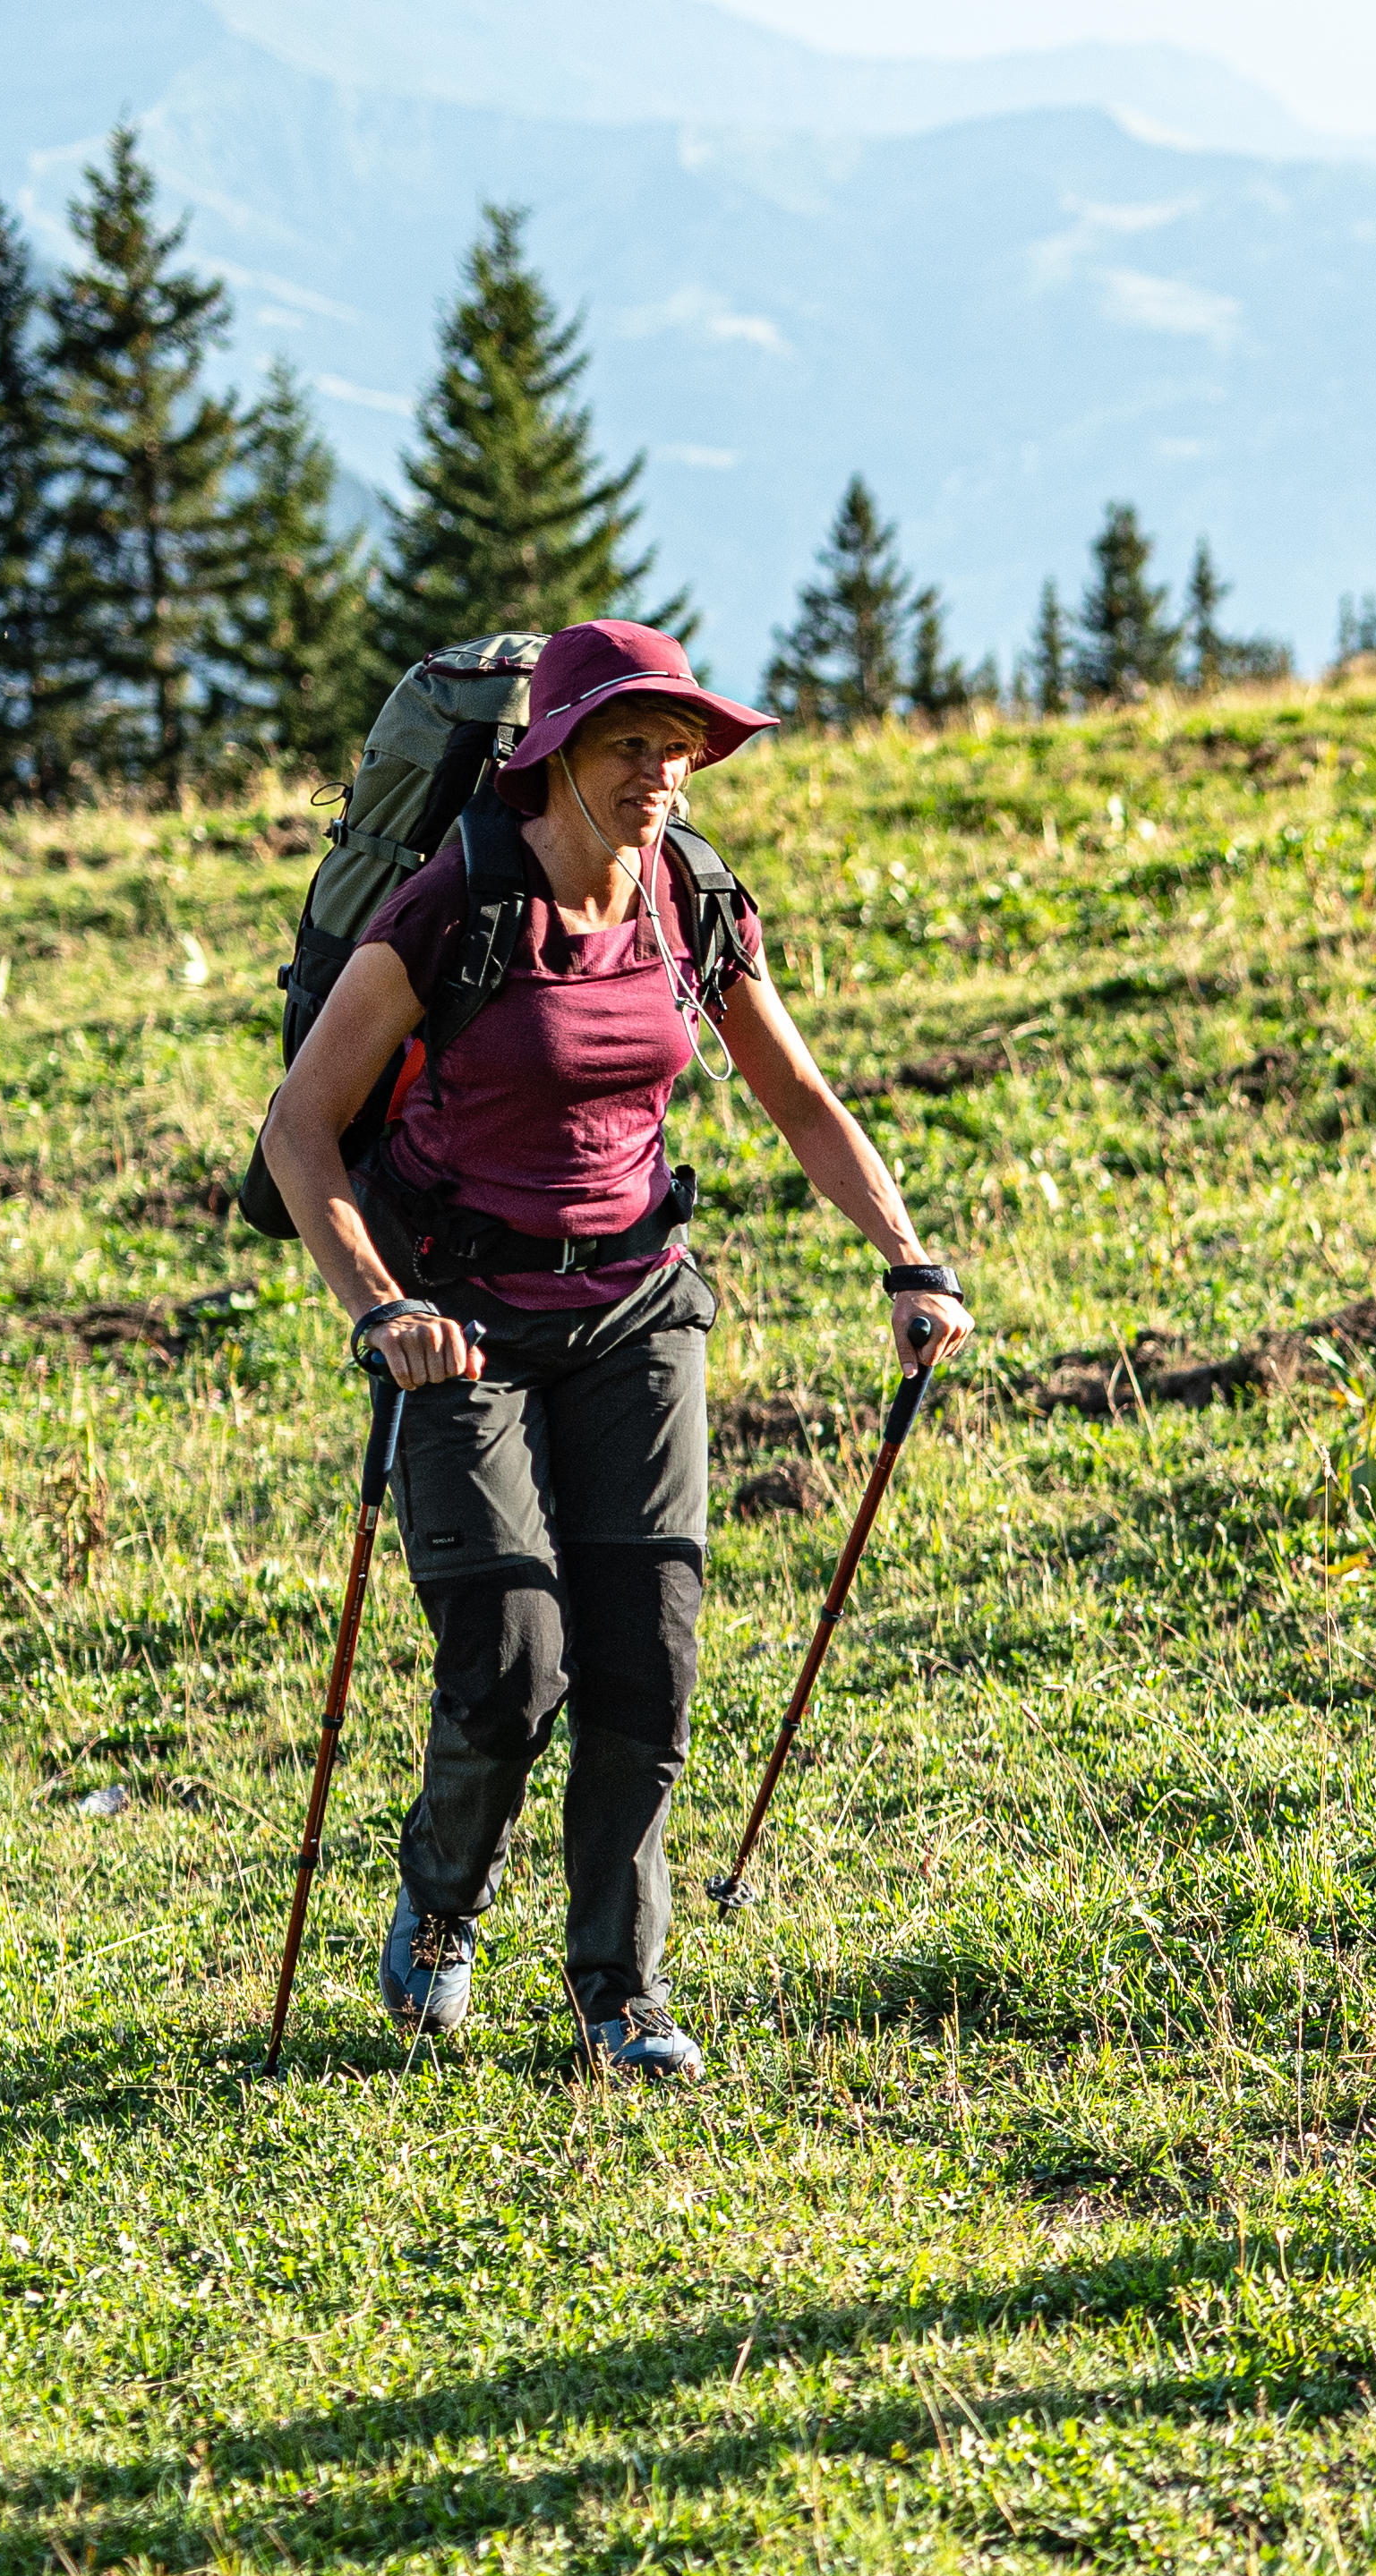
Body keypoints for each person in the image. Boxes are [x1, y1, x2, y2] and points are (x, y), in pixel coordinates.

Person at [257, 618, 969, 2080]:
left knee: (643, 1664)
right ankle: (443, 1903)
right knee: (513, 1660)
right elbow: (298, 1131)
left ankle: (617, 1995)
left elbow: (800, 1094)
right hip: (462, 1325)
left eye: (682, 747)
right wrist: (381, 1306)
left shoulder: (689, 902)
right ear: (552, 756)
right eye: (629, 745)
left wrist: (910, 1257)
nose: (663, 773)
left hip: (642, 1308)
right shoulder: (454, 908)